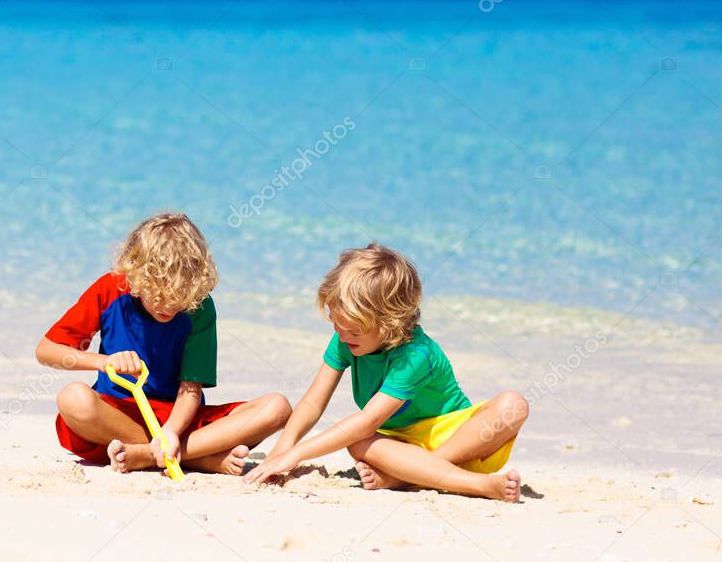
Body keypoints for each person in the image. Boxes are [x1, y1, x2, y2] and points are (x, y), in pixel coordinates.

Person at [244, 244, 527, 501]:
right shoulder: (346, 340)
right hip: (398, 447)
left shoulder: (415, 355)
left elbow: (369, 419)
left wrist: (298, 454)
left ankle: (442, 480)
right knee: (355, 440)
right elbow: (313, 402)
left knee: (513, 405)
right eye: (336, 326)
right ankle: (418, 474)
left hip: (461, 443)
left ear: (391, 323)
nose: (342, 337)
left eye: (353, 330)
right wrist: (282, 449)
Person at [36, 212, 291, 475]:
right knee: (73, 399)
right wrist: (104, 362)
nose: (167, 306)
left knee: (277, 408)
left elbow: (190, 388)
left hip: (178, 420)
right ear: (135, 276)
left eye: (178, 299)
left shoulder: (199, 307)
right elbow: (47, 351)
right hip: (115, 419)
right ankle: (197, 459)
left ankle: (149, 455)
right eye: (158, 296)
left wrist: (170, 431)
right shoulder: (111, 289)